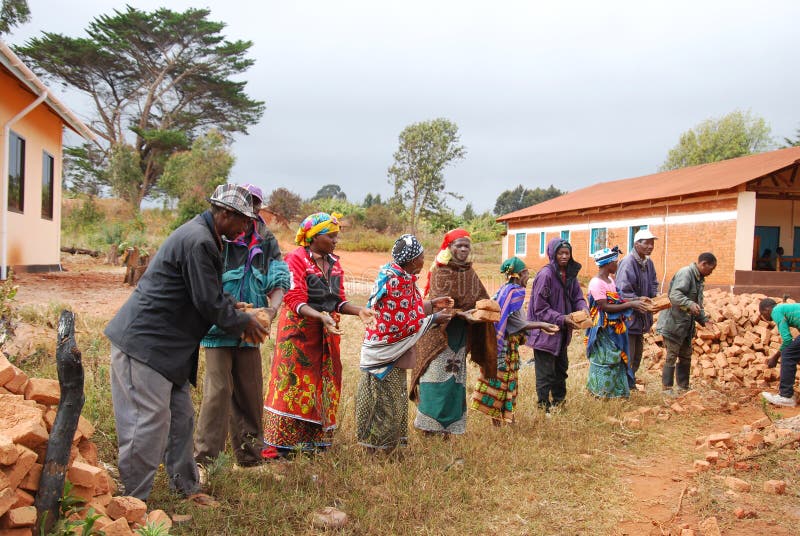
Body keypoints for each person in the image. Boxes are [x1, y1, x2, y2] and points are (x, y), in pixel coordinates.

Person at [105, 184, 269, 501]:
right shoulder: (199, 241)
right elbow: (208, 303)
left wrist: (235, 306)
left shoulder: (207, 238)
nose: (246, 227)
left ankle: (186, 488)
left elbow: (208, 292)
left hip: (168, 349)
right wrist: (244, 322)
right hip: (145, 345)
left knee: (181, 419)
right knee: (148, 423)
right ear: (224, 214)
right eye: (243, 220)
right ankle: (130, 504)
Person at [194, 184, 290, 472]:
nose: (253, 213)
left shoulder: (264, 238)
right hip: (219, 326)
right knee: (218, 391)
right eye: (249, 207)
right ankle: (204, 462)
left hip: (252, 328)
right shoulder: (218, 236)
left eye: (256, 206)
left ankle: (250, 458)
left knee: (249, 391)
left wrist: (270, 311)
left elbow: (279, 277)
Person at [263, 212, 376, 456]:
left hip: (326, 335)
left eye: (336, 237)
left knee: (321, 386)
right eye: (331, 236)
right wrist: (320, 316)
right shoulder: (296, 259)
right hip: (299, 335)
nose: (336, 241)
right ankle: (282, 447)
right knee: (292, 385)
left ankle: (314, 444)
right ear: (313, 237)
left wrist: (359, 311)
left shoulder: (334, 263)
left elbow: (337, 301)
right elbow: (294, 299)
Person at [356, 234, 454, 450]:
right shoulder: (396, 281)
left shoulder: (400, 276)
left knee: (394, 400)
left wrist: (433, 304)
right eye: (421, 257)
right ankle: (379, 448)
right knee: (386, 402)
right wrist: (434, 319)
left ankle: (390, 446)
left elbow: (409, 310)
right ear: (411, 261)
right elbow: (402, 324)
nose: (423, 261)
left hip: (393, 355)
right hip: (385, 353)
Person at [411, 228, 496, 436]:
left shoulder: (469, 272)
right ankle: (428, 426)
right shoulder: (441, 270)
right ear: (449, 248)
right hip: (439, 333)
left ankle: (449, 427)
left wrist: (485, 309)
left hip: (460, 335)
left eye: (467, 246)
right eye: (459, 245)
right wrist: (461, 314)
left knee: (455, 378)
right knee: (435, 376)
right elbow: (440, 304)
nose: (464, 249)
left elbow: (481, 298)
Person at [470, 256, 559, 425]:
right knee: (503, 382)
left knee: (499, 382)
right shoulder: (516, 292)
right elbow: (520, 323)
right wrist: (543, 325)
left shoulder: (505, 289)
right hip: (505, 346)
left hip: (496, 344)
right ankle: (501, 421)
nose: (528, 278)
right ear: (519, 274)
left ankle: (504, 419)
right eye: (526, 273)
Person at [526, 238, 588, 411]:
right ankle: (543, 406)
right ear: (553, 254)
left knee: (561, 369)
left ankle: (559, 403)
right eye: (560, 253)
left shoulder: (570, 275)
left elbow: (577, 297)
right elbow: (540, 308)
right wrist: (562, 318)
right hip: (545, 331)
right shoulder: (546, 275)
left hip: (561, 332)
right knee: (545, 372)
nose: (564, 256)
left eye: (567, 253)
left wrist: (583, 309)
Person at [585, 247, 649, 398]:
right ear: (608, 263)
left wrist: (637, 299)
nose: (618, 264)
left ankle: (616, 392)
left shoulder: (610, 280)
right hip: (603, 328)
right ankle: (601, 392)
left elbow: (618, 300)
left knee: (617, 359)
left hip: (614, 326)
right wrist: (631, 305)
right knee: (606, 359)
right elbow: (604, 306)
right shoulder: (596, 283)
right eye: (616, 262)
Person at [656, 252, 717, 394]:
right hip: (673, 323)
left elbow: (697, 305)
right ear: (703, 264)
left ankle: (683, 387)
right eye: (711, 269)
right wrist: (689, 303)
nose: (711, 272)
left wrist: (704, 320)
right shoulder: (686, 273)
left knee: (685, 355)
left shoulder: (699, 279)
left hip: (685, 326)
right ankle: (667, 388)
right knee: (671, 355)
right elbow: (675, 296)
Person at [615, 229, 659, 380]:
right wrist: (638, 300)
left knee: (637, 354)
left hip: (641, 317)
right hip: (629, 317)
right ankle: (623, 383)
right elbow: (622, 292)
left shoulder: (648, 263)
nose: (650, 246)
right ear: (636, 244)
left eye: (652, 243)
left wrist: (656, 297)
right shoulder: (628, 262)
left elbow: (653, 283)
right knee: (628, 353)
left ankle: (630, 380)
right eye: (646, 243)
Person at [758, 298, 799, 407]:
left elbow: (787, 339)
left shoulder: (776, 311)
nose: (765, 318)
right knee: (795, 354)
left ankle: (786, 396)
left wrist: (775, 357)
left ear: (766, 310)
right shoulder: (786, 309)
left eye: (762, 314)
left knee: (788, 354)